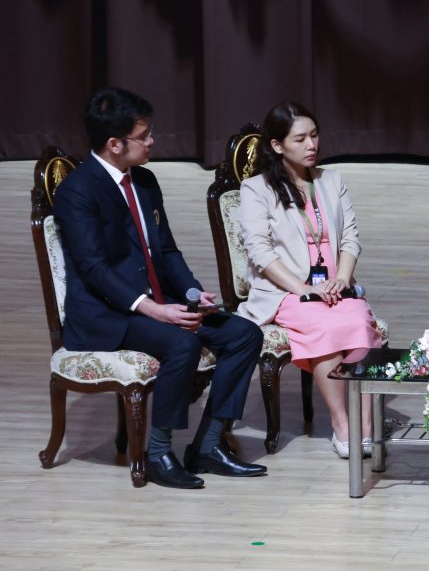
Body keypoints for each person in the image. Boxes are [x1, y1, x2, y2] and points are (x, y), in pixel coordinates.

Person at [54, 87, 266, 489]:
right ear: (115, 144)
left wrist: (191, 294)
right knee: (181, 343)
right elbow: (95, 269)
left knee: (243, 334)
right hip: (107, 315)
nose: (152, 141)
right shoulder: (78, 191)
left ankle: (208, 445)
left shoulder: (145, 181)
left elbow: (166, 250)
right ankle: (158, 453)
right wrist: (154, 309)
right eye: (144, 135)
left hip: (157, 302)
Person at [238, 102, 382, 460]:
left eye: (314, 135)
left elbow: (350, 237)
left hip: (334, 287)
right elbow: (260, 251)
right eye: (300, 139)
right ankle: (341, 424)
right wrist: (304, 289)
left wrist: (342, 279)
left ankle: (365, 425)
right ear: (277, 145)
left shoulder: (331, 181)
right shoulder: (257, 189)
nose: (311, 145)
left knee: (358, 320)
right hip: (287, 291)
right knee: (324, 324)